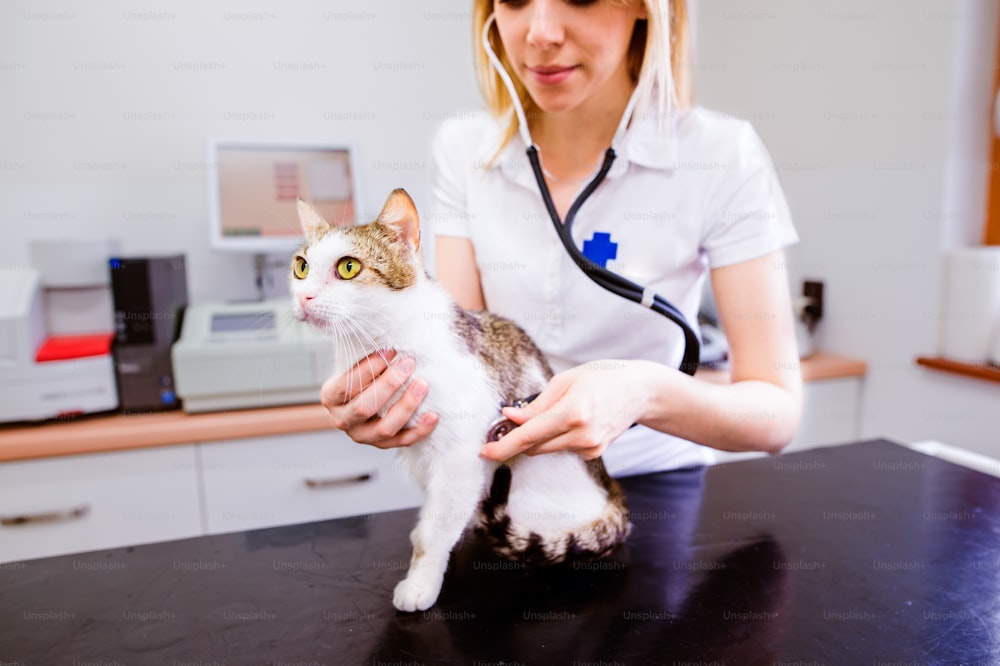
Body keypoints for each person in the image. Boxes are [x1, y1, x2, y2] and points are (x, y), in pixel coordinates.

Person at [320, 0, 803, 477]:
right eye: (513, 0)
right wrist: (387, 395)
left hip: (656, 481)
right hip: (507, 483)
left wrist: (645, 392)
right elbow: (461, 353)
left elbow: (775, 413)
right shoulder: (464, 148)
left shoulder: (720, 154)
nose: (540, 33)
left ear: (644, 7)